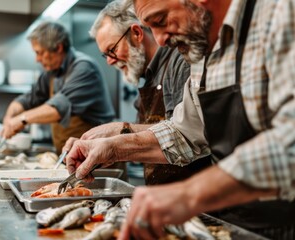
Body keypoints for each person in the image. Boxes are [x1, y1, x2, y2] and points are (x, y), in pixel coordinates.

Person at [65, 0, 295, 239]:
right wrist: (113, 148)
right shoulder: (203, 52)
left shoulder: (280, 13)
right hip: (235, 222)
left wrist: (189, 194)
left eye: (161, 20)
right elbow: (184, 133)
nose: (160, 40)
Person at [76, 0, 211, 185]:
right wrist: (104, 145)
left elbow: (186, 134)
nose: (109, 61)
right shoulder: (148, 77)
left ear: (137, 33)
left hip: (199, 194)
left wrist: (120, 132)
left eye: (112, 50)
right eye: (105, 55)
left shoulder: (180, 60)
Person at [1, 21, 115, 155]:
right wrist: (9, 118)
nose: (37, 59)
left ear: (58, 47)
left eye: (40, 52)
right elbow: (27, 100)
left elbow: (58, 108)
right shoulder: (51, 73)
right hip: (72, 156)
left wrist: (21, 119)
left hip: (101, 157)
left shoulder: (84, 68)